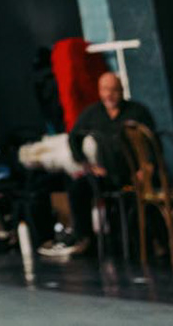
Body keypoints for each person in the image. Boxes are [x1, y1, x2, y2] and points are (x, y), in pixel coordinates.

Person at [38, 70, 155, 259]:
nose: (109, 94)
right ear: (100, 91)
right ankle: (84, 239)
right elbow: (74, 138)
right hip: (105, 175)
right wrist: (87, 165)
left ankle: (146, 242)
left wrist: (146, 167)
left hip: (132, 175)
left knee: (135, 201)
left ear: (121, 90)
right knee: (78, 188)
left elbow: (153, 142)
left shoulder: (137, 112)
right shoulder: (93, 113)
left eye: (114, 90)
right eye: (105, 90)